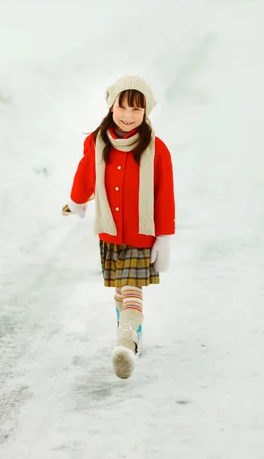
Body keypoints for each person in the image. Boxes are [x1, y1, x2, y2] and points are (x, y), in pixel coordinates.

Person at [64, 75, 175, 379]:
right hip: (110, 233)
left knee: (131, 288)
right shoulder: (97, 143)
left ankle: (124, 345)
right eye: (123, 107)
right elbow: (85, 175)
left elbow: (165, 194)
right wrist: (76, 201)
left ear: (146, 112)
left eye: (136, 110)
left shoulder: (156, 149)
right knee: (121, 289)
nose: (128, 116)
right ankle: (130, 338)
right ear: (112, 106)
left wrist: (163, 237)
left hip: (142, 234)